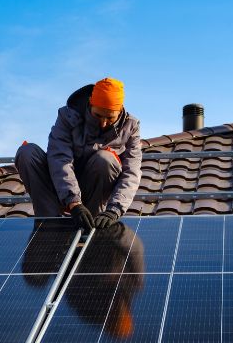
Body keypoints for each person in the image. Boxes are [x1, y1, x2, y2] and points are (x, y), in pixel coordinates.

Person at [15, 77, 141, 230]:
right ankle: (49, 224)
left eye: (110, 118)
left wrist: (114, 210)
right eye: (98, 115)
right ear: (90, 104)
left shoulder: (130, 127)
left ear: (120, 110)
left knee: (105, 159)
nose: (103, 123)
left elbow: (131, 172)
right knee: (27, 153)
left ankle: (91, 226)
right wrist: (74, 202)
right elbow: (60, 158)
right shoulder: (68, 117)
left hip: (94, 192)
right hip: (59, 187)